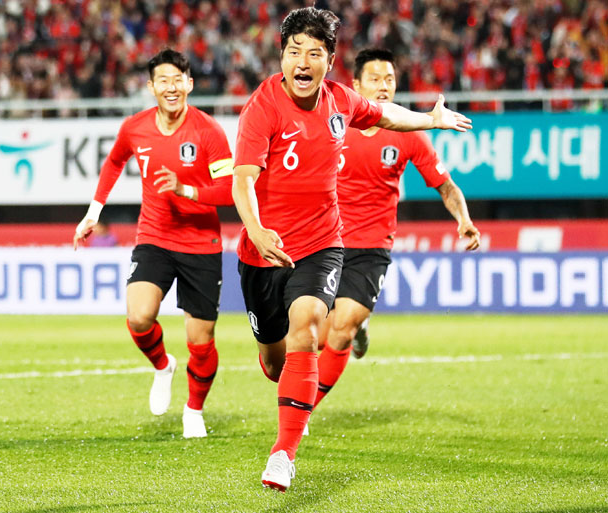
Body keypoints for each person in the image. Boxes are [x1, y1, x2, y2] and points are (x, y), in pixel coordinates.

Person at [231, 7, 472, 492]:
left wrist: (430, 119)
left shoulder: (342, 101)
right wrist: (255, 229)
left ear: (329, 60)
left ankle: (283, 454)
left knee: (311, 328)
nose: (303, 61)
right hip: (263, 252)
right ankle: (288, 386)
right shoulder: (262, 106)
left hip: (324, 244)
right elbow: (243, 178)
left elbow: (386, 116)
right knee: (275, 364)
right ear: (281, 56)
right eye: (294, 51)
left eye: (314, 53)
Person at [73, 49, 234, 438]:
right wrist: (94, 212)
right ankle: (163, 366)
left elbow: (229, 191)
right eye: (163, 80)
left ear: (190, 84)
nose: (171, 87)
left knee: (201, 340)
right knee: (139, 317)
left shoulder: (209, 131)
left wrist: (186, 189)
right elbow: (113, 163)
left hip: (201, 243)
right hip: (155, 238)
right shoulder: (135, 128)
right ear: (151, 87)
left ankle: (193, 410)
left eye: (178, 80)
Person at [312, 48, 481, 412]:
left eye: (389, 79)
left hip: (372, 245)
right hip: (326, 240)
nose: (383, 86)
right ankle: (359, 331)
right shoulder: (333, 124)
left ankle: (303, 408)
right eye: (374, 78)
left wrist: (463, 220)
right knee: (317, 336)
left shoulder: (409, 132)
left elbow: (445, 186)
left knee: (340, 328)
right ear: (356, 84)